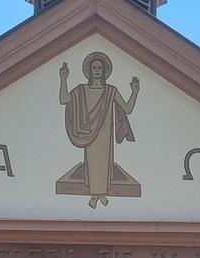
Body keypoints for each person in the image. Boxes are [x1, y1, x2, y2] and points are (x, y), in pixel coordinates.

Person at [58, 52, 140, 208]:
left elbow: (127, 109)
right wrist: (63, 79)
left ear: (104, 71)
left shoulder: (111, 91)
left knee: (104, 163)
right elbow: (63, 99)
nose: (97, 70)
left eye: (99, 68)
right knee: (93, 163)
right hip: (88, 133)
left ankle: (100, 194)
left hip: (104, 134)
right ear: (89, 70)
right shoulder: (81, 90)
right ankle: (95, 195)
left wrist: (134, 92)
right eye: (94, 67)